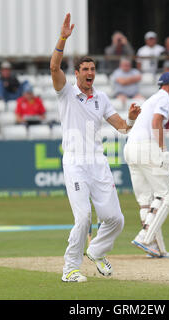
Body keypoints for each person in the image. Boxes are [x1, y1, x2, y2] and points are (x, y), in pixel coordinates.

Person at [50, 13, 140, 283]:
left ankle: (97, 250)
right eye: (85, 70)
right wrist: (63, 38)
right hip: (75, 162)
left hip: (97, 162)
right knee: (84, 217)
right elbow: (55, 68)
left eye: (92, 70)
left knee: (116, 219)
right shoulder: (66, 92)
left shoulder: (100, 98)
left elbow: (122, 128)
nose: (89, 73)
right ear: (76, 74)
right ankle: (70, 269)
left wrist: (133, 118)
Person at [123, 72, 169, 258]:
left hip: (130, 149)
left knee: (145, 201)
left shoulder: (152, 99)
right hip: (147, 148)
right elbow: (157, 121)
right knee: (168, 194)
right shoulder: (164, 97)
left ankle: (155, 248)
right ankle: (144, 237)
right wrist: (163, 151)